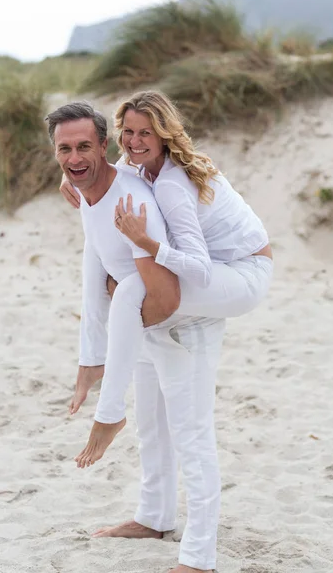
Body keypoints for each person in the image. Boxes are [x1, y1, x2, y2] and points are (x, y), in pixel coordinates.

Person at [47, 100, 224, 573]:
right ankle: (153, 516)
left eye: (84, 146)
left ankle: (199, 557)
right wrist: (91, 356)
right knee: (152, 426)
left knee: (191, 435)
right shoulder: (89, 187)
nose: (75, 157)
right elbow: (93, 267)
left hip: (182, 321)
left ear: (103, 146)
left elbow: (160, 292)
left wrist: (125, 285)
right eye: (65, 149)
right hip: (145, 324)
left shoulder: (137, 196)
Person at [60, 90, 273, 443]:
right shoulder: (137, 165)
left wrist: (148, 245)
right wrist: (70, 176)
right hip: (218, 265)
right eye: (128, 132)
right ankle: (92, 359)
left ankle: (110, 410)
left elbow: (201, 272)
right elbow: (100, 170)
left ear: (163, 134)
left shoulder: (172, 184)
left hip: (243, 272)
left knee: (128, 289)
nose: (135, 141)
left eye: (146, 133)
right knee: (100, 252)